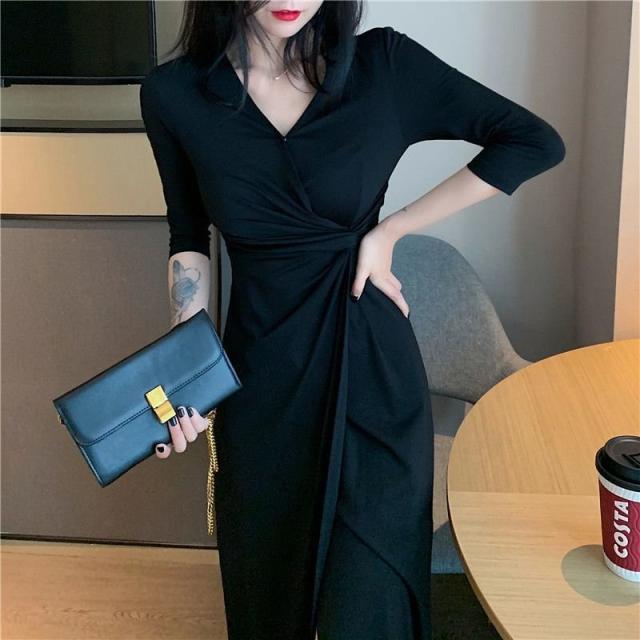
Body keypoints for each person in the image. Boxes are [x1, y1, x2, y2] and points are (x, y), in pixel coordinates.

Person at [140, 2, 566, 639]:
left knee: (370, 602)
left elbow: (534, 141)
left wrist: (391, 229)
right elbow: (188, 236)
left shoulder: (384, 66)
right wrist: (187, 373)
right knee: (268, 586)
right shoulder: (174, 94)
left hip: (372, 370)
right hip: (262, 377)